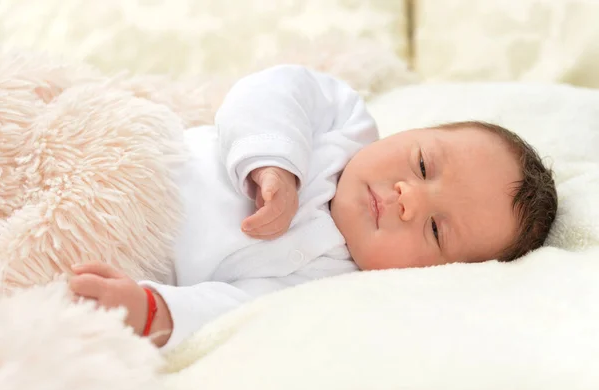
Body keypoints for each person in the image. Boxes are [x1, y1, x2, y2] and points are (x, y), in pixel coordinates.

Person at [69, 65, 558, 350]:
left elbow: (233, 312)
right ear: (409, 133)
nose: (409, 198)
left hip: (109, 241)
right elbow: (273, 88)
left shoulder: (326, 285)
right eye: (424, 165)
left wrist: (151, 308)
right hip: (111, 154)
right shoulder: (342, 125)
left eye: (435, 230)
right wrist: (274, 161)